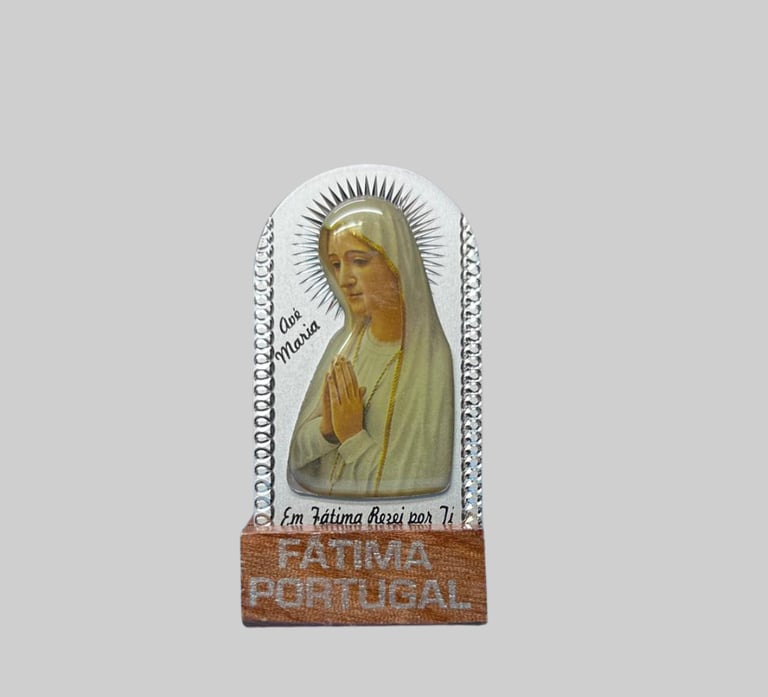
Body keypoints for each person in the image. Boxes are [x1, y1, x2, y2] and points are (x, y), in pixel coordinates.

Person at [288, 196, 454, 498]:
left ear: (396, 263)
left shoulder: (430, 362)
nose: (343, 279)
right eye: (335, 264)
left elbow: (417, 478)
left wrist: (353, 436)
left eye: (359, 261)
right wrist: (328, 430)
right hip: (325, 517)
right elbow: (298, 456)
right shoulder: (344, 346)